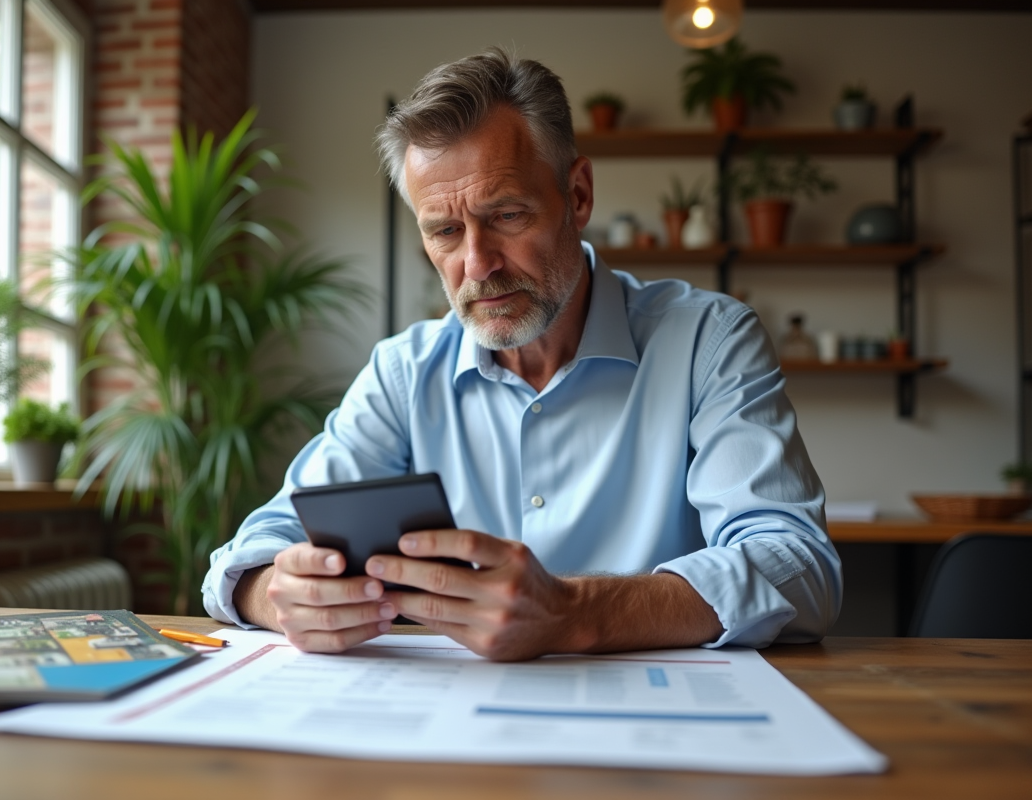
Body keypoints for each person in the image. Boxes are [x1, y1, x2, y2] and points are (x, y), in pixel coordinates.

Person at [203, 47, 841, 661]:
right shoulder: (403, 373)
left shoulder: (708, 341)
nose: (476, 265)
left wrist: (576, 613)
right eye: (445, 231)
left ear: (579, 196)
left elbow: (799, 568)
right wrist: (278, 594)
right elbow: (254, 551)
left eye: (507, 215)